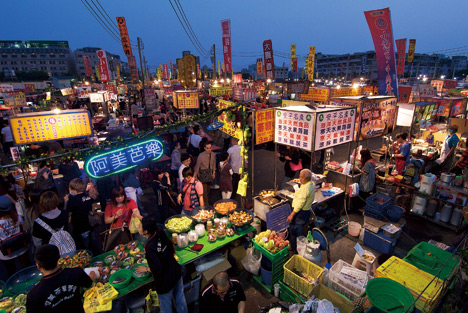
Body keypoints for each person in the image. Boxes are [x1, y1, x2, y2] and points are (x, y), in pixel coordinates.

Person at [137, 216, 188, 313]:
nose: (138, 227)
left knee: (166, 307)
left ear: (146, 231)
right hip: (176, 272)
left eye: (140, 226)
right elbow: (170, 247)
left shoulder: (150, 247)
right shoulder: (159, 231)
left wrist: (146, 269)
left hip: (165, 282)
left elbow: (156, 268)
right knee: (180, 300)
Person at [26, 244, 94, 313]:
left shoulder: (33, 295)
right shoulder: (75, 272)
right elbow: (88, 283)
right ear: (59, 257)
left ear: (38, 266)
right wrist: (92, 274)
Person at [103, 186, 142, 251]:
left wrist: (136, 213)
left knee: (131, 248)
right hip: (116, 232)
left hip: (129, 230)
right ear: (113, 197)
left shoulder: (130, 201)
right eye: (118, 197)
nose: (120, 198)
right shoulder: (109, 206)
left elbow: (136, 210)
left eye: (122, 196)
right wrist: (115, 216)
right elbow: (106, 220)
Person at [0, 195, 30, 277]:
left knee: (11, 271)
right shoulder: (18, 217)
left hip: (6, 253)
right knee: (27, 268)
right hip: (21, 247)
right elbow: (23, 228)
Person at [287, 169, 315, 253]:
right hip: (305, 212)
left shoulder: (306, 188)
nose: (299, 179)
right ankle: (296, 246)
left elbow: (300, 203)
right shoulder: (311, 184)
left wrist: (292, 214)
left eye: (301, 177)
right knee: (299, 229)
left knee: (294, 231)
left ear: (307, 179)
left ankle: (294, 249)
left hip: (300, 213)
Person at [65, 178, 94, 250]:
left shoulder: (72, 200)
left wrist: (66, 201)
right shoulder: (88, 197)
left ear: (73, 189)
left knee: (82, 246)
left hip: (79, 227)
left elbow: (67, 213)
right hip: (88, 225)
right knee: (89, 243)